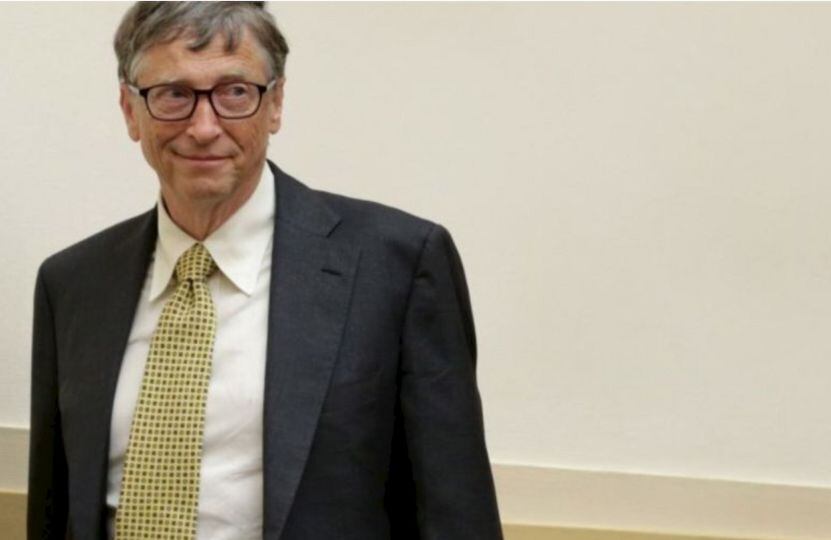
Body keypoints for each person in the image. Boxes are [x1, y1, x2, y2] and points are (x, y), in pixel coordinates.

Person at [27, 2, 502, 539]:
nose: (203, 127)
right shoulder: (72, 284)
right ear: (130, 110)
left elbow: (456, 513)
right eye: (173, 94)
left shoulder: (397, 267)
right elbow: (53, 509)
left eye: (235, 92)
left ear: (275, 103)